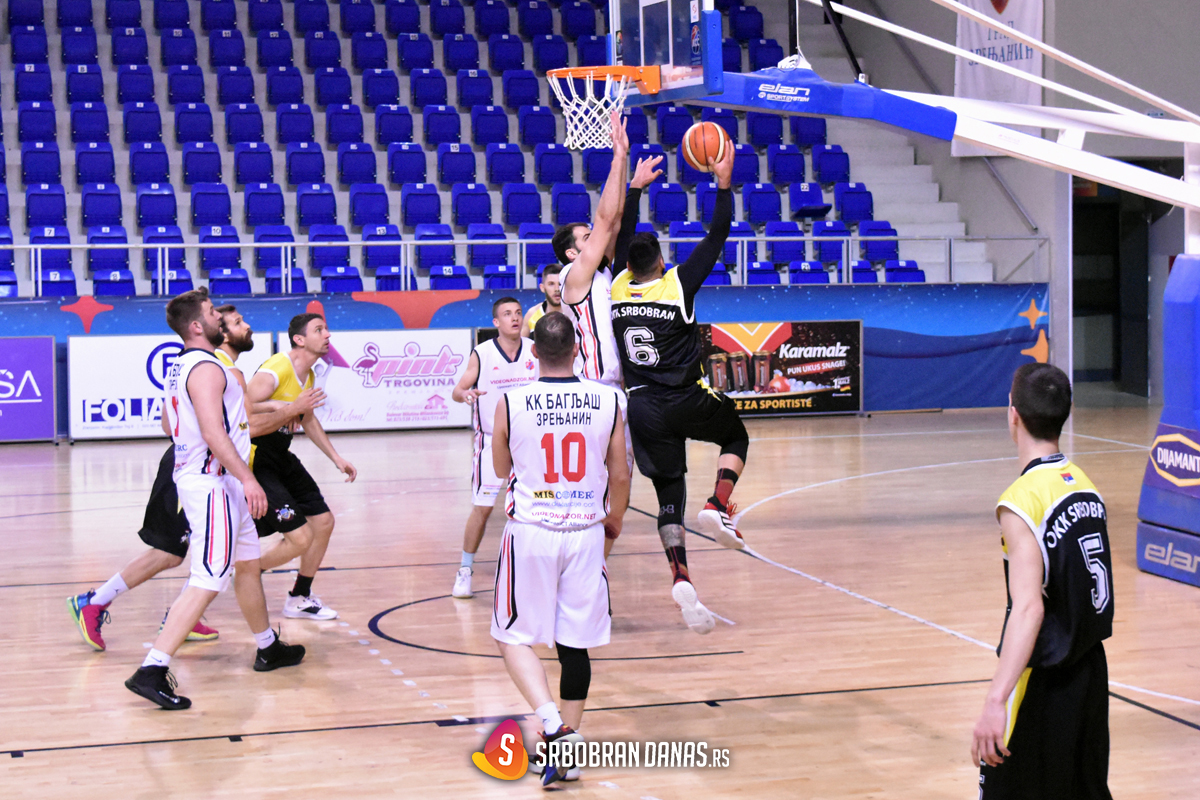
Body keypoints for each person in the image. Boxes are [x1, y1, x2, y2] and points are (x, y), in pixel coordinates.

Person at [67, 299, 324, 651]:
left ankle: (236, 634)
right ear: (216, 332)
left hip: (206, 466)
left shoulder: (198, 365)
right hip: (200, 468)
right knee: (172, 552)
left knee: (216, 555)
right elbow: (231, 429)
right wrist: (287, 411)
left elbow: (175, 422)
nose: (244, 325)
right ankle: (104, 608)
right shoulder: (216, 368)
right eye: (235, 321)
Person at [125, 290, 305, 710]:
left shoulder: (183, 365)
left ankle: (267, 647)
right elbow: (212, 431)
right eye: (210, 313)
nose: (218, 318)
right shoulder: (206, 368)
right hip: (213, 482)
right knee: (209, 578)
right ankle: (151, 669)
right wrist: (248, 478)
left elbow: (170, 423)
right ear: (195, 326)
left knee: (248, 566)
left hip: (216, 480)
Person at [608, 142, 751, 635]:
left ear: (628, 264)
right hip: (686, 396)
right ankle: (717, 504)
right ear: (661, 260)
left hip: (642, 407)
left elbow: (621, 235)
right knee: (735, 436)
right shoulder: (678, 285)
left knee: (669, 494)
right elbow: (717, 235)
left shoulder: (616, 287)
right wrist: (723, 183)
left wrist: (633, 189)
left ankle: (681, 575)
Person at [490, 312, 630, 787]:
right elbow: (620, 473)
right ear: (577, 349)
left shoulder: (511, 400)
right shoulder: (609, 399)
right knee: (575, 644)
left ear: (533, 352)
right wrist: (614, 522)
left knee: (511, 636)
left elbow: (501, 467)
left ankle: (553, 726)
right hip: (587, 531)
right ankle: (564, 750)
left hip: (532, 530)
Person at [972, 363, 1114, 799]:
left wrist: (996, 700)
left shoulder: (1020, 502)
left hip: (1045, 679)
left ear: (1012, 413)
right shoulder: (1086, 486)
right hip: (1090, 673)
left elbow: (1029, 608)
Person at [246, 313, 357, 621]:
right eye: (319, 330)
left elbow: (308, 419)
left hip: (281, 454)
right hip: (256, 457)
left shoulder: (307, 375)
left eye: (327, 329)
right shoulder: (275, 370)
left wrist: (336, 458)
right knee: (300, 538)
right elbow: (241, 412)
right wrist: (275, 406)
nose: (327, 335)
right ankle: (247, 571)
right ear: (299, 339)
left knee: (323, 522)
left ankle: (299, 597)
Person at [450, 297, 539, 599]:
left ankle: (532, 568)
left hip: (528, 442)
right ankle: (465, 569)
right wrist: (465, 394)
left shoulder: (535, 350)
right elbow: (458, 390)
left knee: (534, 507)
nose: (515, 318)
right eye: (507, 314)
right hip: (491, 442)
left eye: (518, 313)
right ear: (496, 322)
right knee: (483, 508)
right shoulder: (482, 353)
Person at [522, 264, 563, 338]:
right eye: (551, 284)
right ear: (542, 288)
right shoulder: (532, 314)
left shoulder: (575, 314)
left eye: (560, 284)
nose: (557, 289)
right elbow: (522, 343)